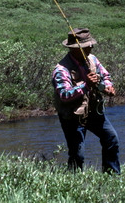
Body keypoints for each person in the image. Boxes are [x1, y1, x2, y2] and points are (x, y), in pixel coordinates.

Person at [51, 28, 120, 173]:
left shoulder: (93, 59)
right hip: (72, 116)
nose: (91, 47)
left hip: (94, 112)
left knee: (111, 138)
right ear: (76, 49)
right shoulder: (61, 69)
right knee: (78, 154)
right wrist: (85, 85)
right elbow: (64, 95)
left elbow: (105, 76)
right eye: (87, 45)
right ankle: (72, 182)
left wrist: (108, 87)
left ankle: (112, 176)